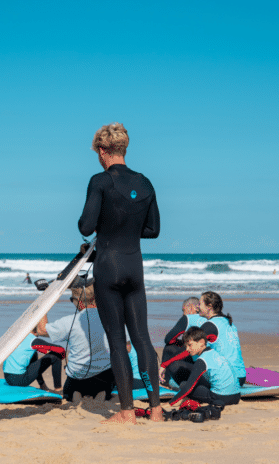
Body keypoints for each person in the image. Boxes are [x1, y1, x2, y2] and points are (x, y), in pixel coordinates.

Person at [78, 122, 161, 424]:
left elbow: (86, 226)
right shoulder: (146, 182)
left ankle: (126, 411)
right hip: (134, 268)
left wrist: (106, 223)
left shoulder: (100, 181)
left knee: (116, 340)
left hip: (108, 268)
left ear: (103, 150)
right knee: (142, 339)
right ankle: (156, 409)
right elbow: (153, 230)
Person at [36, 283, 115, 404]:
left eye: (72, 300)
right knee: (111, 371)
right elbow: (127, 348)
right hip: (104, 378)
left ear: (79, 301)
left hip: (78, 379)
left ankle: (76, 393)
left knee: (71, 386)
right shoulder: (111, 319)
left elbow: (41, 330)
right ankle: (102, 391)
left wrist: (44, 299)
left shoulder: (69, 322)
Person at [163, 292, 246, 387]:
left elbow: (183, 347)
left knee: (175, 365)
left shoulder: (210, 325)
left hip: (225, 379)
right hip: (241, 377)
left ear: (209, 306)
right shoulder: (229, 322)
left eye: (200, 304)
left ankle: (177, 384)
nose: (198, 307)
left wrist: (164, 365)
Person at [166, 327, 240, 417]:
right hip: (236, 396)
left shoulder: (202, 360)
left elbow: (188, 388)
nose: (187, 349)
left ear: (201, 342)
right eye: (186, 346)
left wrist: (169, 403)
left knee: (184, 385)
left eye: (190, 345)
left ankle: (188, 399)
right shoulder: (215, 353)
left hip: (221, 398)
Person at [3, 325, 65, 392]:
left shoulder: (18, 337)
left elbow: (36, 349)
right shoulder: (33, 340)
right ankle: (58, 389)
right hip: (19, 380)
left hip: (8, 378)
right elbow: (60, 349)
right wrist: (62, 356)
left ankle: (43, 386)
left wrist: (46, 351)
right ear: (37, 331)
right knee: (55, 357)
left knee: (33, 353)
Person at [161, 297, 205, 375]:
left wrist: (180, 343)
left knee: (169, 347)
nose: (183, 314)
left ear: (191, 308)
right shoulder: (208, 319)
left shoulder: (188, 318)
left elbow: (168, 339)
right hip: (210, 360)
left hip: (197, 362)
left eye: (183, 310)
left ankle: (166, 378)